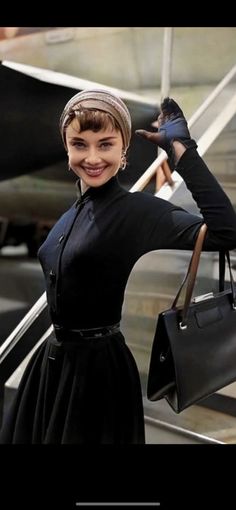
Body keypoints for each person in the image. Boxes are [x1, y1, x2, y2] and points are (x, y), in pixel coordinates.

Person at [1, 90, 236, 444]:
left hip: (96, 375)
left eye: (105, 145)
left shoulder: (136, 211)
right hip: (53, 366)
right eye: (80, 144)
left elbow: (226, 232)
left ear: (123, 149)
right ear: (67, 148)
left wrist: (183, 154)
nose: (92, 157)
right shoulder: (72, 212)